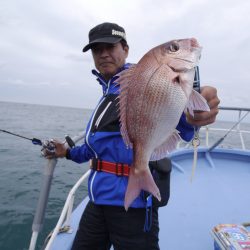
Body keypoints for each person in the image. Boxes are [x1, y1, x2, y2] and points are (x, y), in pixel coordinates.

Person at [43, 22, 220, 250]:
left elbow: (185, 124)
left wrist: (199, 111)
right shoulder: (107, 93)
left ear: (125, 50)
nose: (104, 54)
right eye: (97, 50)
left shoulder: (142, 82)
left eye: (110, 47)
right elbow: (96, 148)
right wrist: (67, 152)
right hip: (97, 200)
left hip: (134, 206)